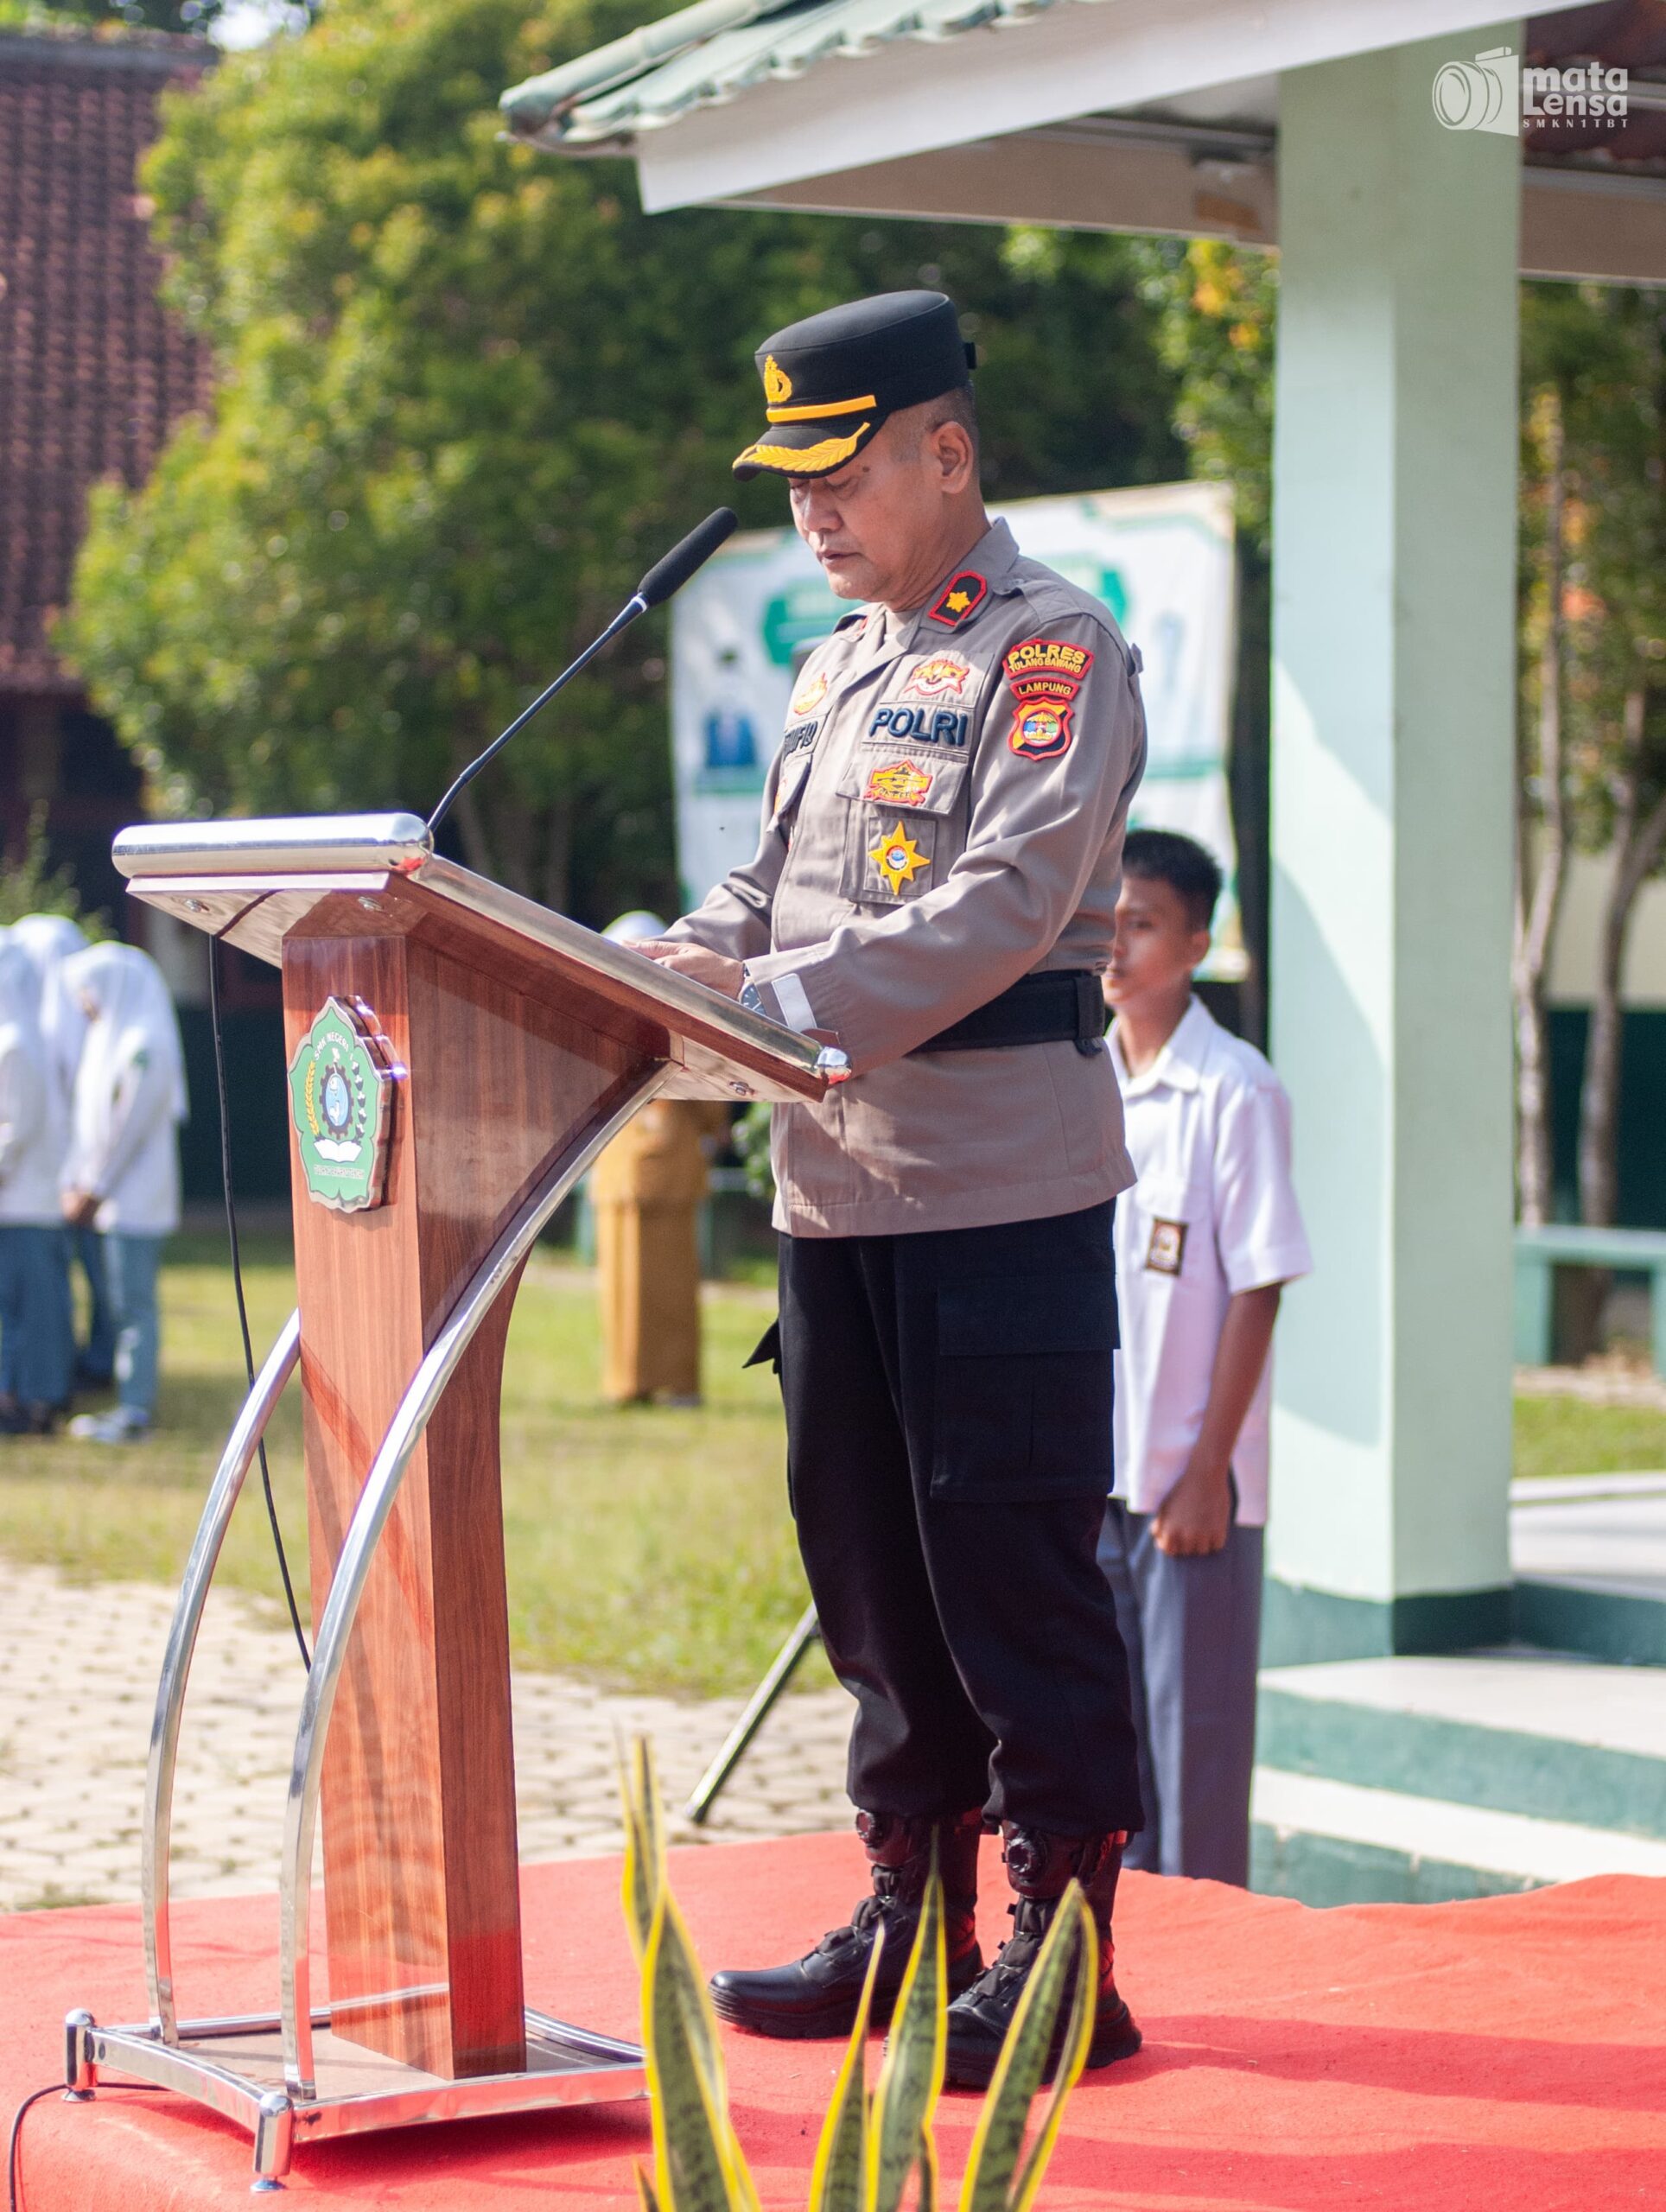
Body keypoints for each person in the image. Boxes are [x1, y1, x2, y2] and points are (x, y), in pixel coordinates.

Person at [636, 290, 1148, 2086]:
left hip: (996, 1190)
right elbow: (767, 893)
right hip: (834, 1191)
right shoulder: (835, 663)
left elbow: (1004, 904)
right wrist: (663, 965)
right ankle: (909, 1919)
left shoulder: (1050, 649)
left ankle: (1063, 1963)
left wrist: (768, 1004)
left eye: (837, 474)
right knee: (869, 1585)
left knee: (1013, 1582)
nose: (809, 512)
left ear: (945, 452)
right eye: (790, 483)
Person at [1098, 830, 1313, 1887]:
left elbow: (1258, 1285)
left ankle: (1216, 1969)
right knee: (1107, 1775)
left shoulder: (1235, 1088)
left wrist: (1205, 1471)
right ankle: (1115, 1963)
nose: (1114, 944)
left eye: (1140, 923)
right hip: (1092, 1484)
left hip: (1188, 1493)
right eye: (1104, 919)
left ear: (1196, 943)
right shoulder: (1077, 1077)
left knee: (1195, 1775)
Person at [591, 912, 730, 1404]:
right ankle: (666, 1384)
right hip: (658, 1171)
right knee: (660, 1286)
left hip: (632, 1171)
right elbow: (713, 1105)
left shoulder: (600, 1025)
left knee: (634, 1285)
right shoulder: (679, 1024)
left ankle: (637, 1383)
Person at [57, 944, 187, 1443]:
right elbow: (90, 1127)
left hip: (133, 1202)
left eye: (87, 991)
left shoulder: (143, 1044)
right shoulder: (110, 1039)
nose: (83, 1002)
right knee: (118, 1305)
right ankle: (128, 1399)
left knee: (134, 1309)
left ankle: (135, 1412)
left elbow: (127, 1130)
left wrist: (93, 1188)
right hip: (108, 1200)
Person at [9, 912, 115, 1389]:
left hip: (70, 1177)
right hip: (50, 1176)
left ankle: (87, 1366)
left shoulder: (37, 1031)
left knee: (70, 1280)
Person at [0, 938, 75, 1433]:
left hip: (24, 1203)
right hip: (22, 1203)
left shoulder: (15, 1044)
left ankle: (34, 1405)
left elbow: (16, 1128)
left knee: (31, 1315)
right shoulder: (26, 1038)